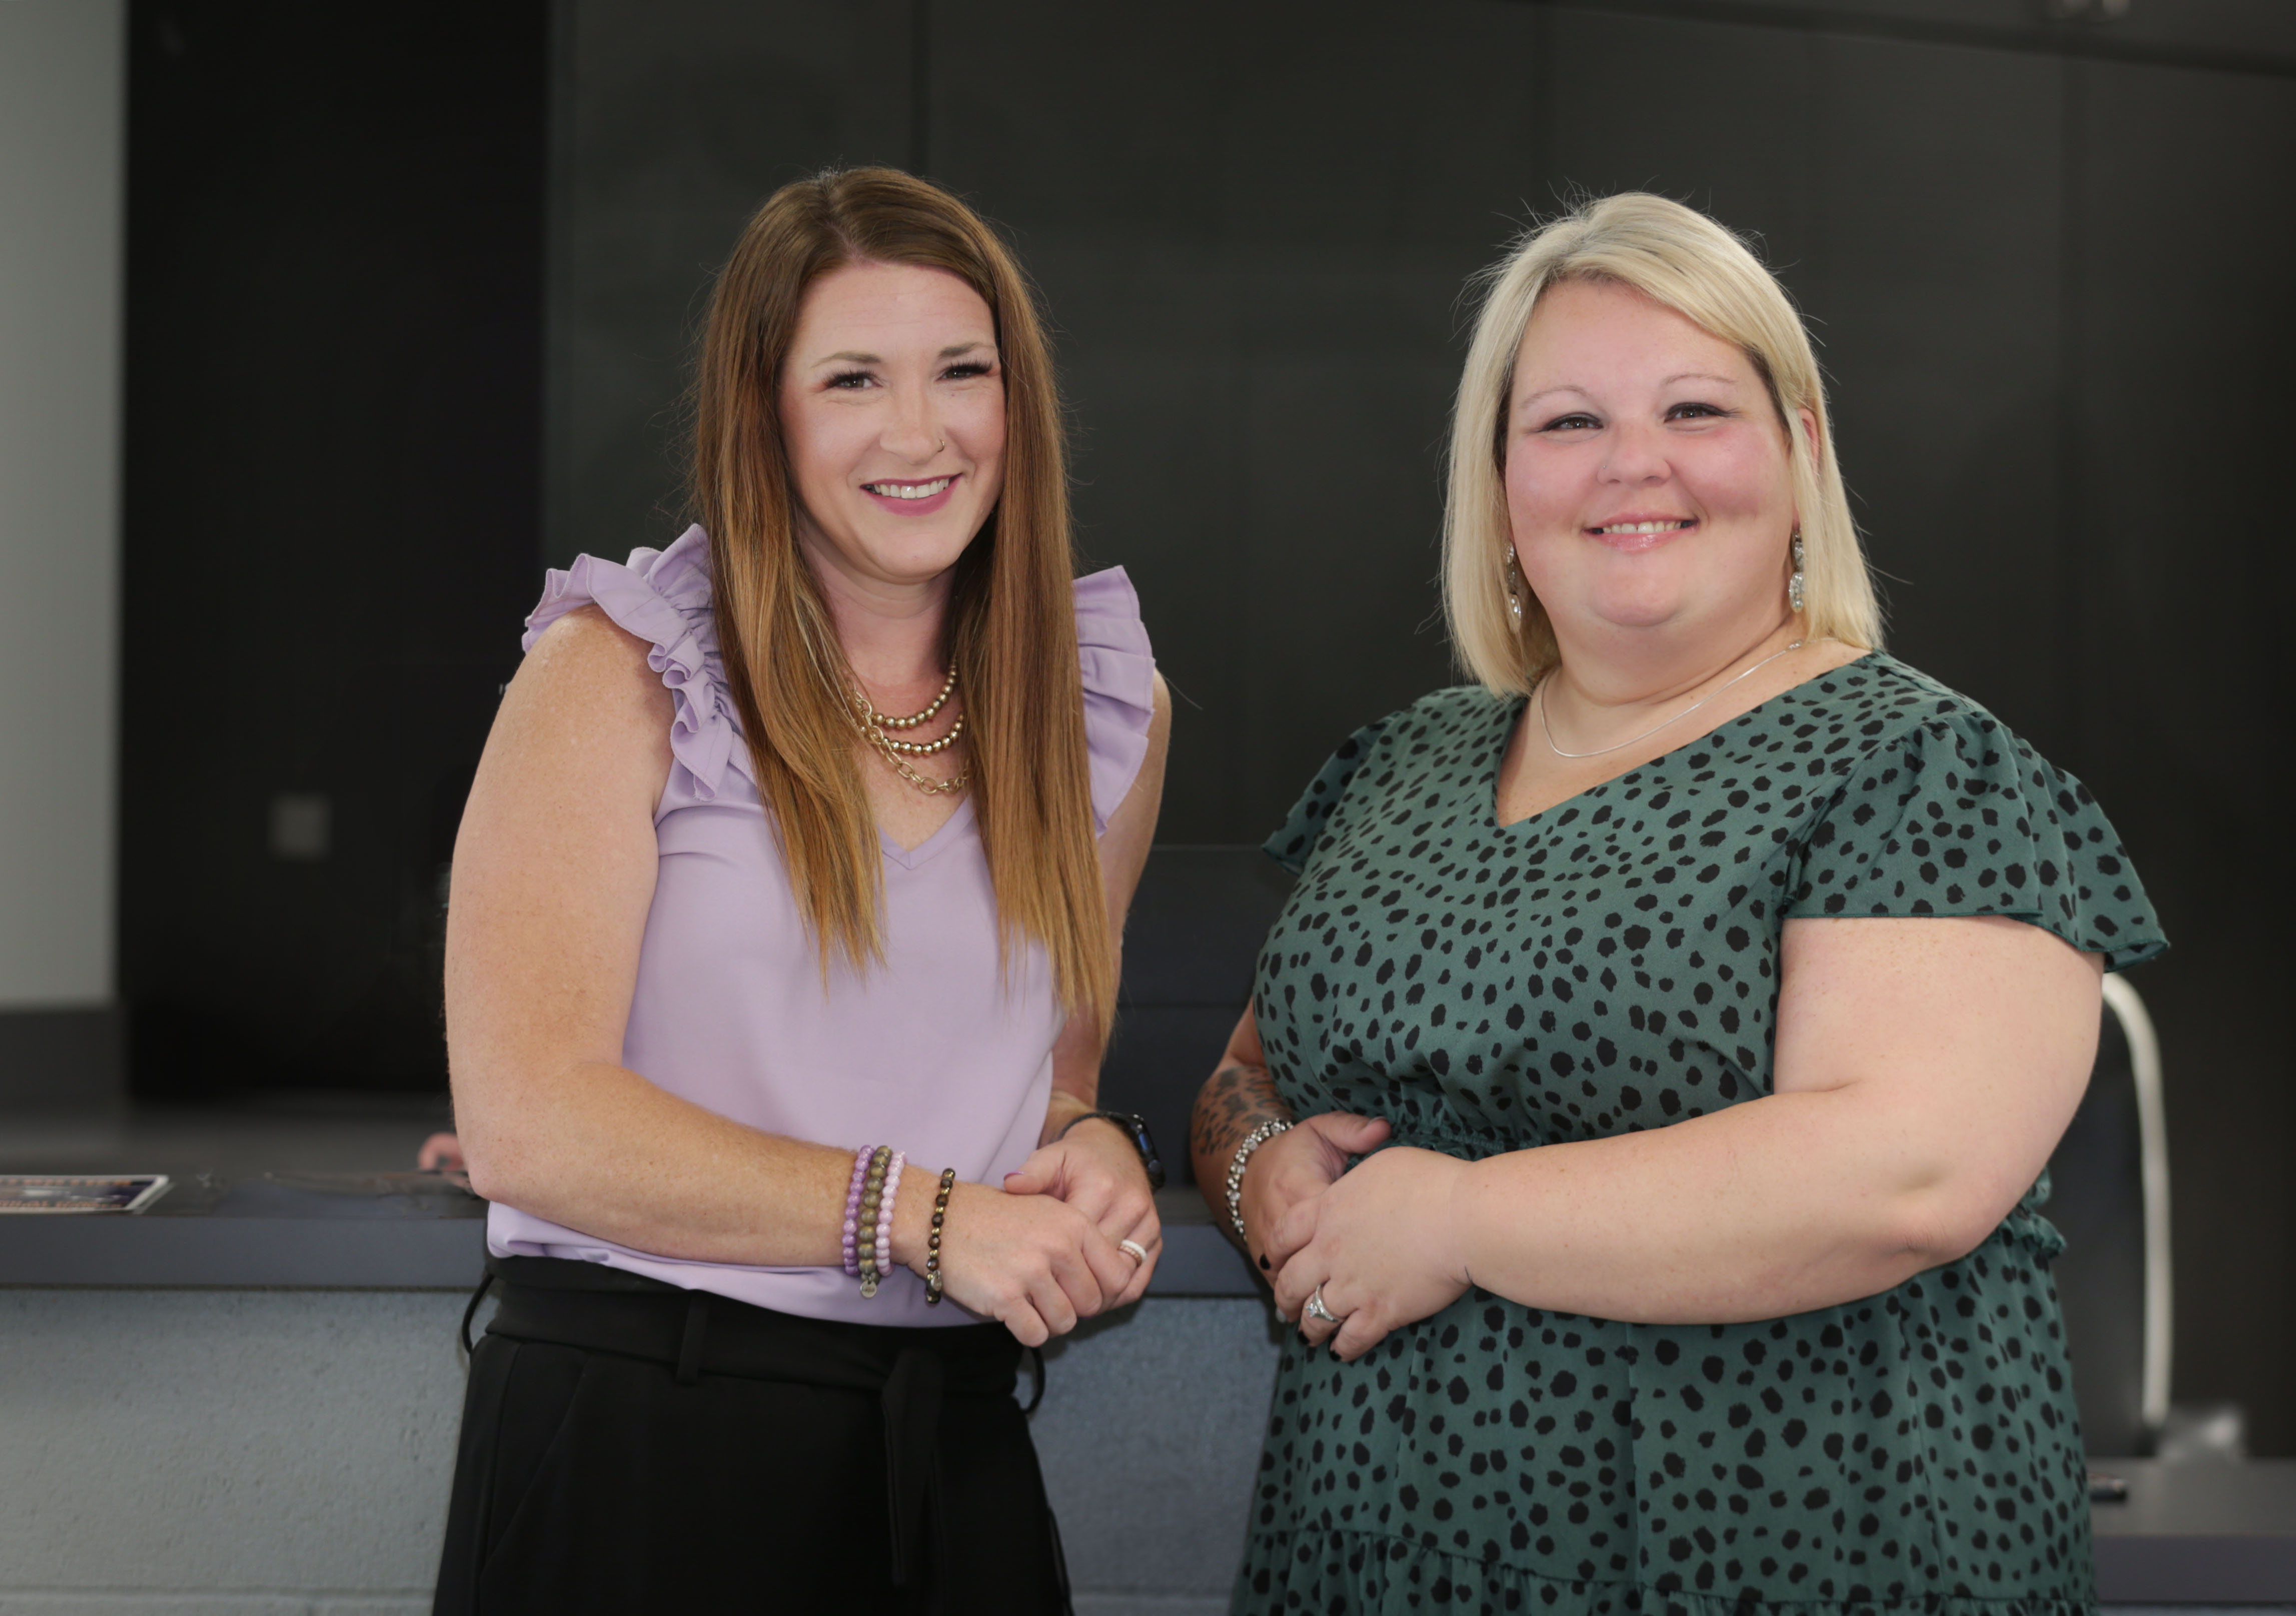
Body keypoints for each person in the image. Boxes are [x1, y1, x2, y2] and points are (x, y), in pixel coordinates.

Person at [1191, 192, 2164, 1616]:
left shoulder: (1918, 769)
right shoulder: (1404, 766)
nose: (1629, 465)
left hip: (1800, 1556)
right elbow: (1251, 1072)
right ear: (1500, 481)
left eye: (1694, 409)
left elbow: (1901, 1177)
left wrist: (1453, 1220)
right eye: (1568, 422)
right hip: (1385, 1547)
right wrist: (1256, 1171)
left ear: (1798, 450)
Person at [435, 167, 1172, 1613]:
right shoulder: (614, 670)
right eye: (851, 379)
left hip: (945, 1436)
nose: (919, 432)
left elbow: (1044, 1077)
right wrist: (922, 1216)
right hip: (642, 1425)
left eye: (962, 372)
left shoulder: (1099, 705)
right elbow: (528, 1120)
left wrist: (1096, 1147)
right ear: (762, 415)